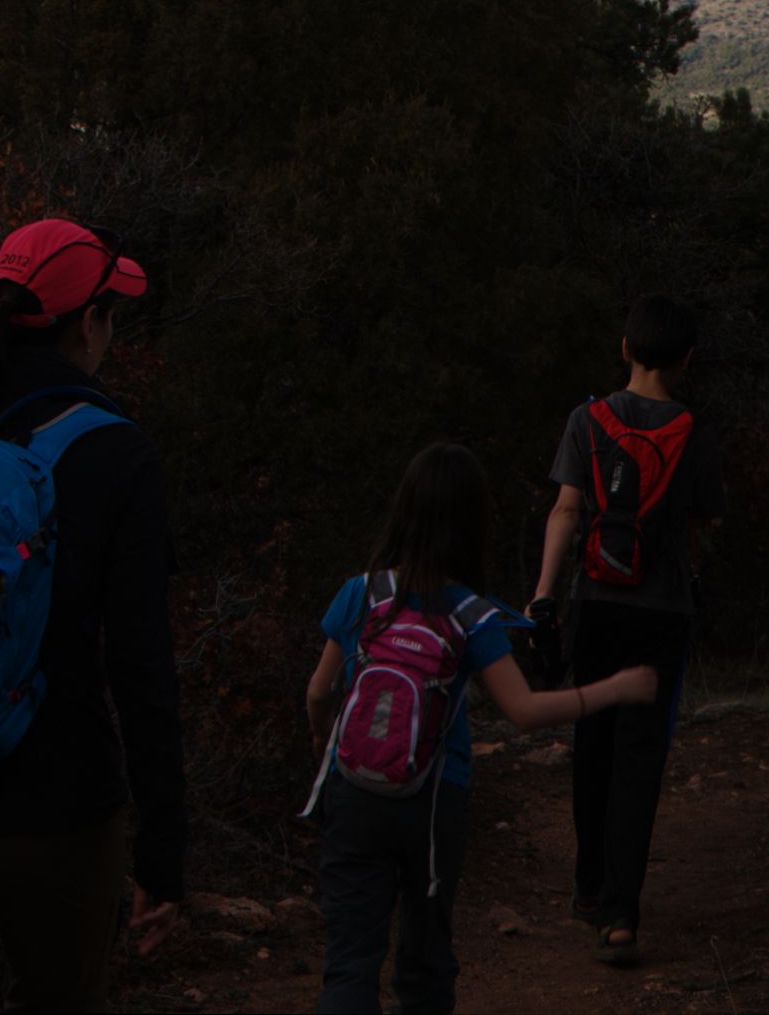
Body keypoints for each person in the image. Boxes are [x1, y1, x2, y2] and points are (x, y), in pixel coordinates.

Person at [305, 441, 657, 1015]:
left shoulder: (362, 592)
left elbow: (319, 692)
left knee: (350, 960)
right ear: (471, 524)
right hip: (435, 800)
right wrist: (613, 690)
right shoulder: (470, 613)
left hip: (354, 792)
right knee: (424, 964)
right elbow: (522, 711)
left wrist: (324, 742)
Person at [0, 218, 186, 1014]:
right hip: (56, 808)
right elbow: (140, 665)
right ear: (86, 322)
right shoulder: (119, 454)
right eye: (110, 311)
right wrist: (161, 852)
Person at [530, 295, 725, 967]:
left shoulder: (587, 419)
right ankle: (618, 914)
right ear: (687, 357)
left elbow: (564, 509)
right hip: (661, 612)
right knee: (640, 757)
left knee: (593, 740)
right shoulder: (694, 429)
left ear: (624, 348)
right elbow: (703, 517)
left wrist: (541, 597)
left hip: (593, 602)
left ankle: (588, 883)